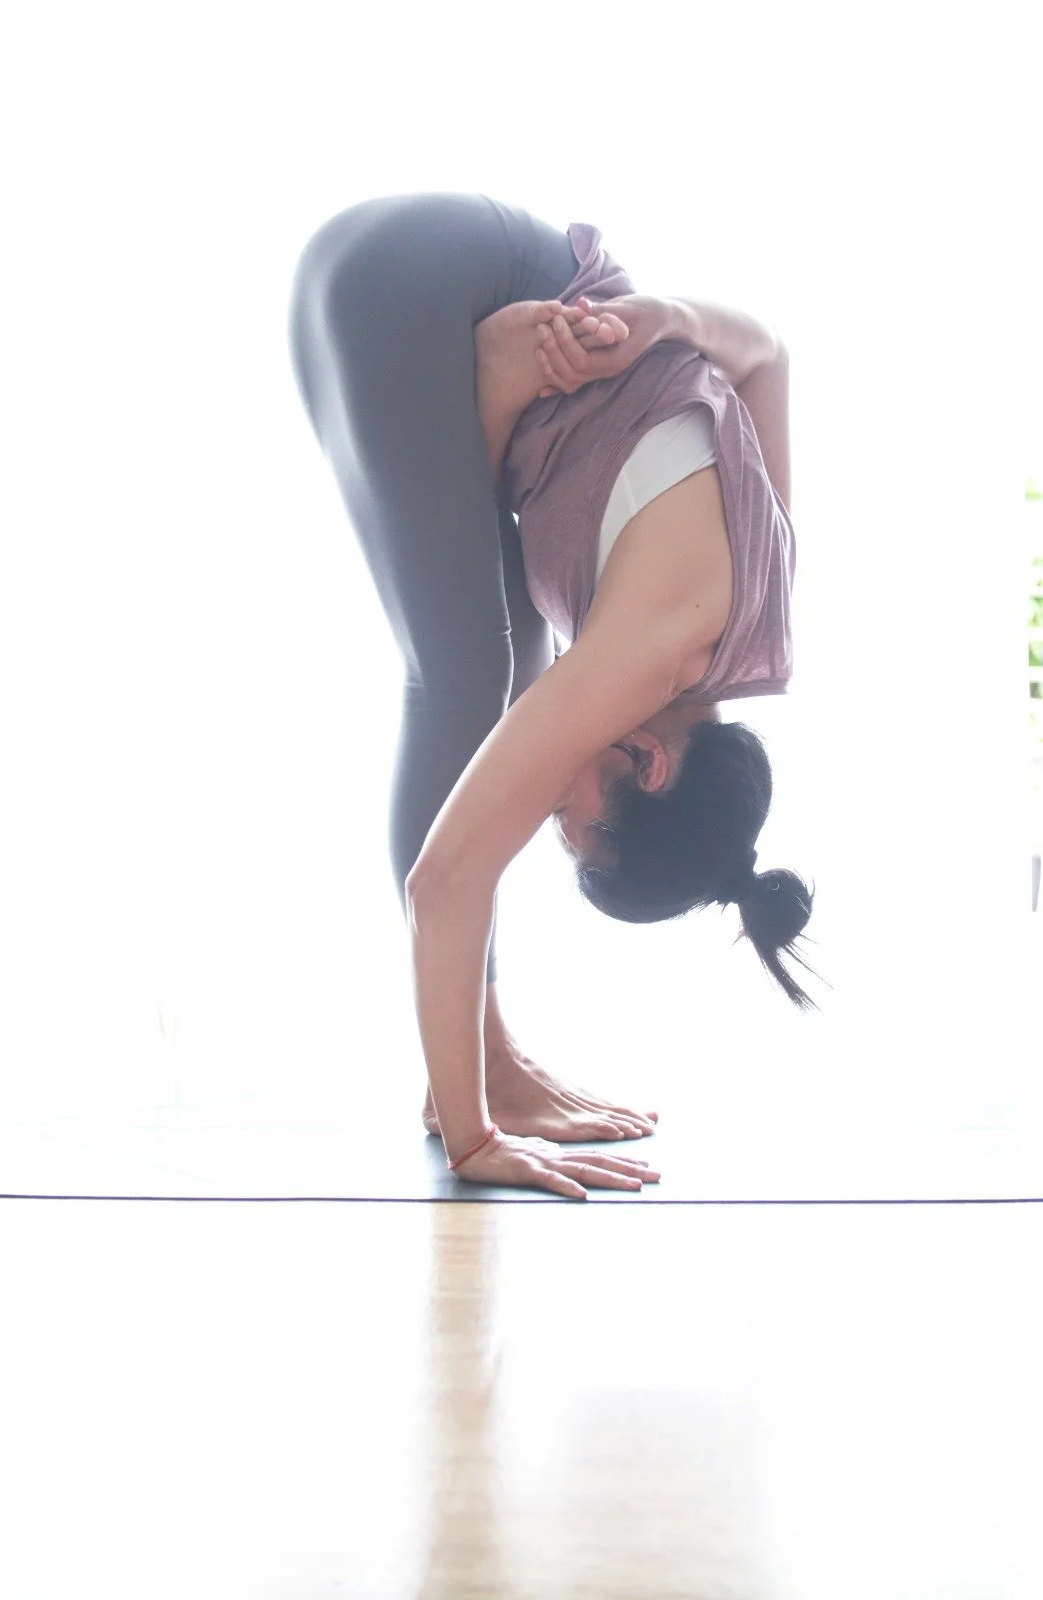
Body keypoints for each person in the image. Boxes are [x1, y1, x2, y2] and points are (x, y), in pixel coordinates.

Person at [288, 192, 824, 1200]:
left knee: (506, 657)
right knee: (463, 682)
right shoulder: (647, 654)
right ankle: (470, 1087)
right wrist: (474, 1143)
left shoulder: (752, 615)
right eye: (576, 828)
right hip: (415, 285)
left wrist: (672, 320)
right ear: (647, 762)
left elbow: (761, 361)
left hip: (413, 275)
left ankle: (484, 1062)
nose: (549, 824)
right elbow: (444, 880)